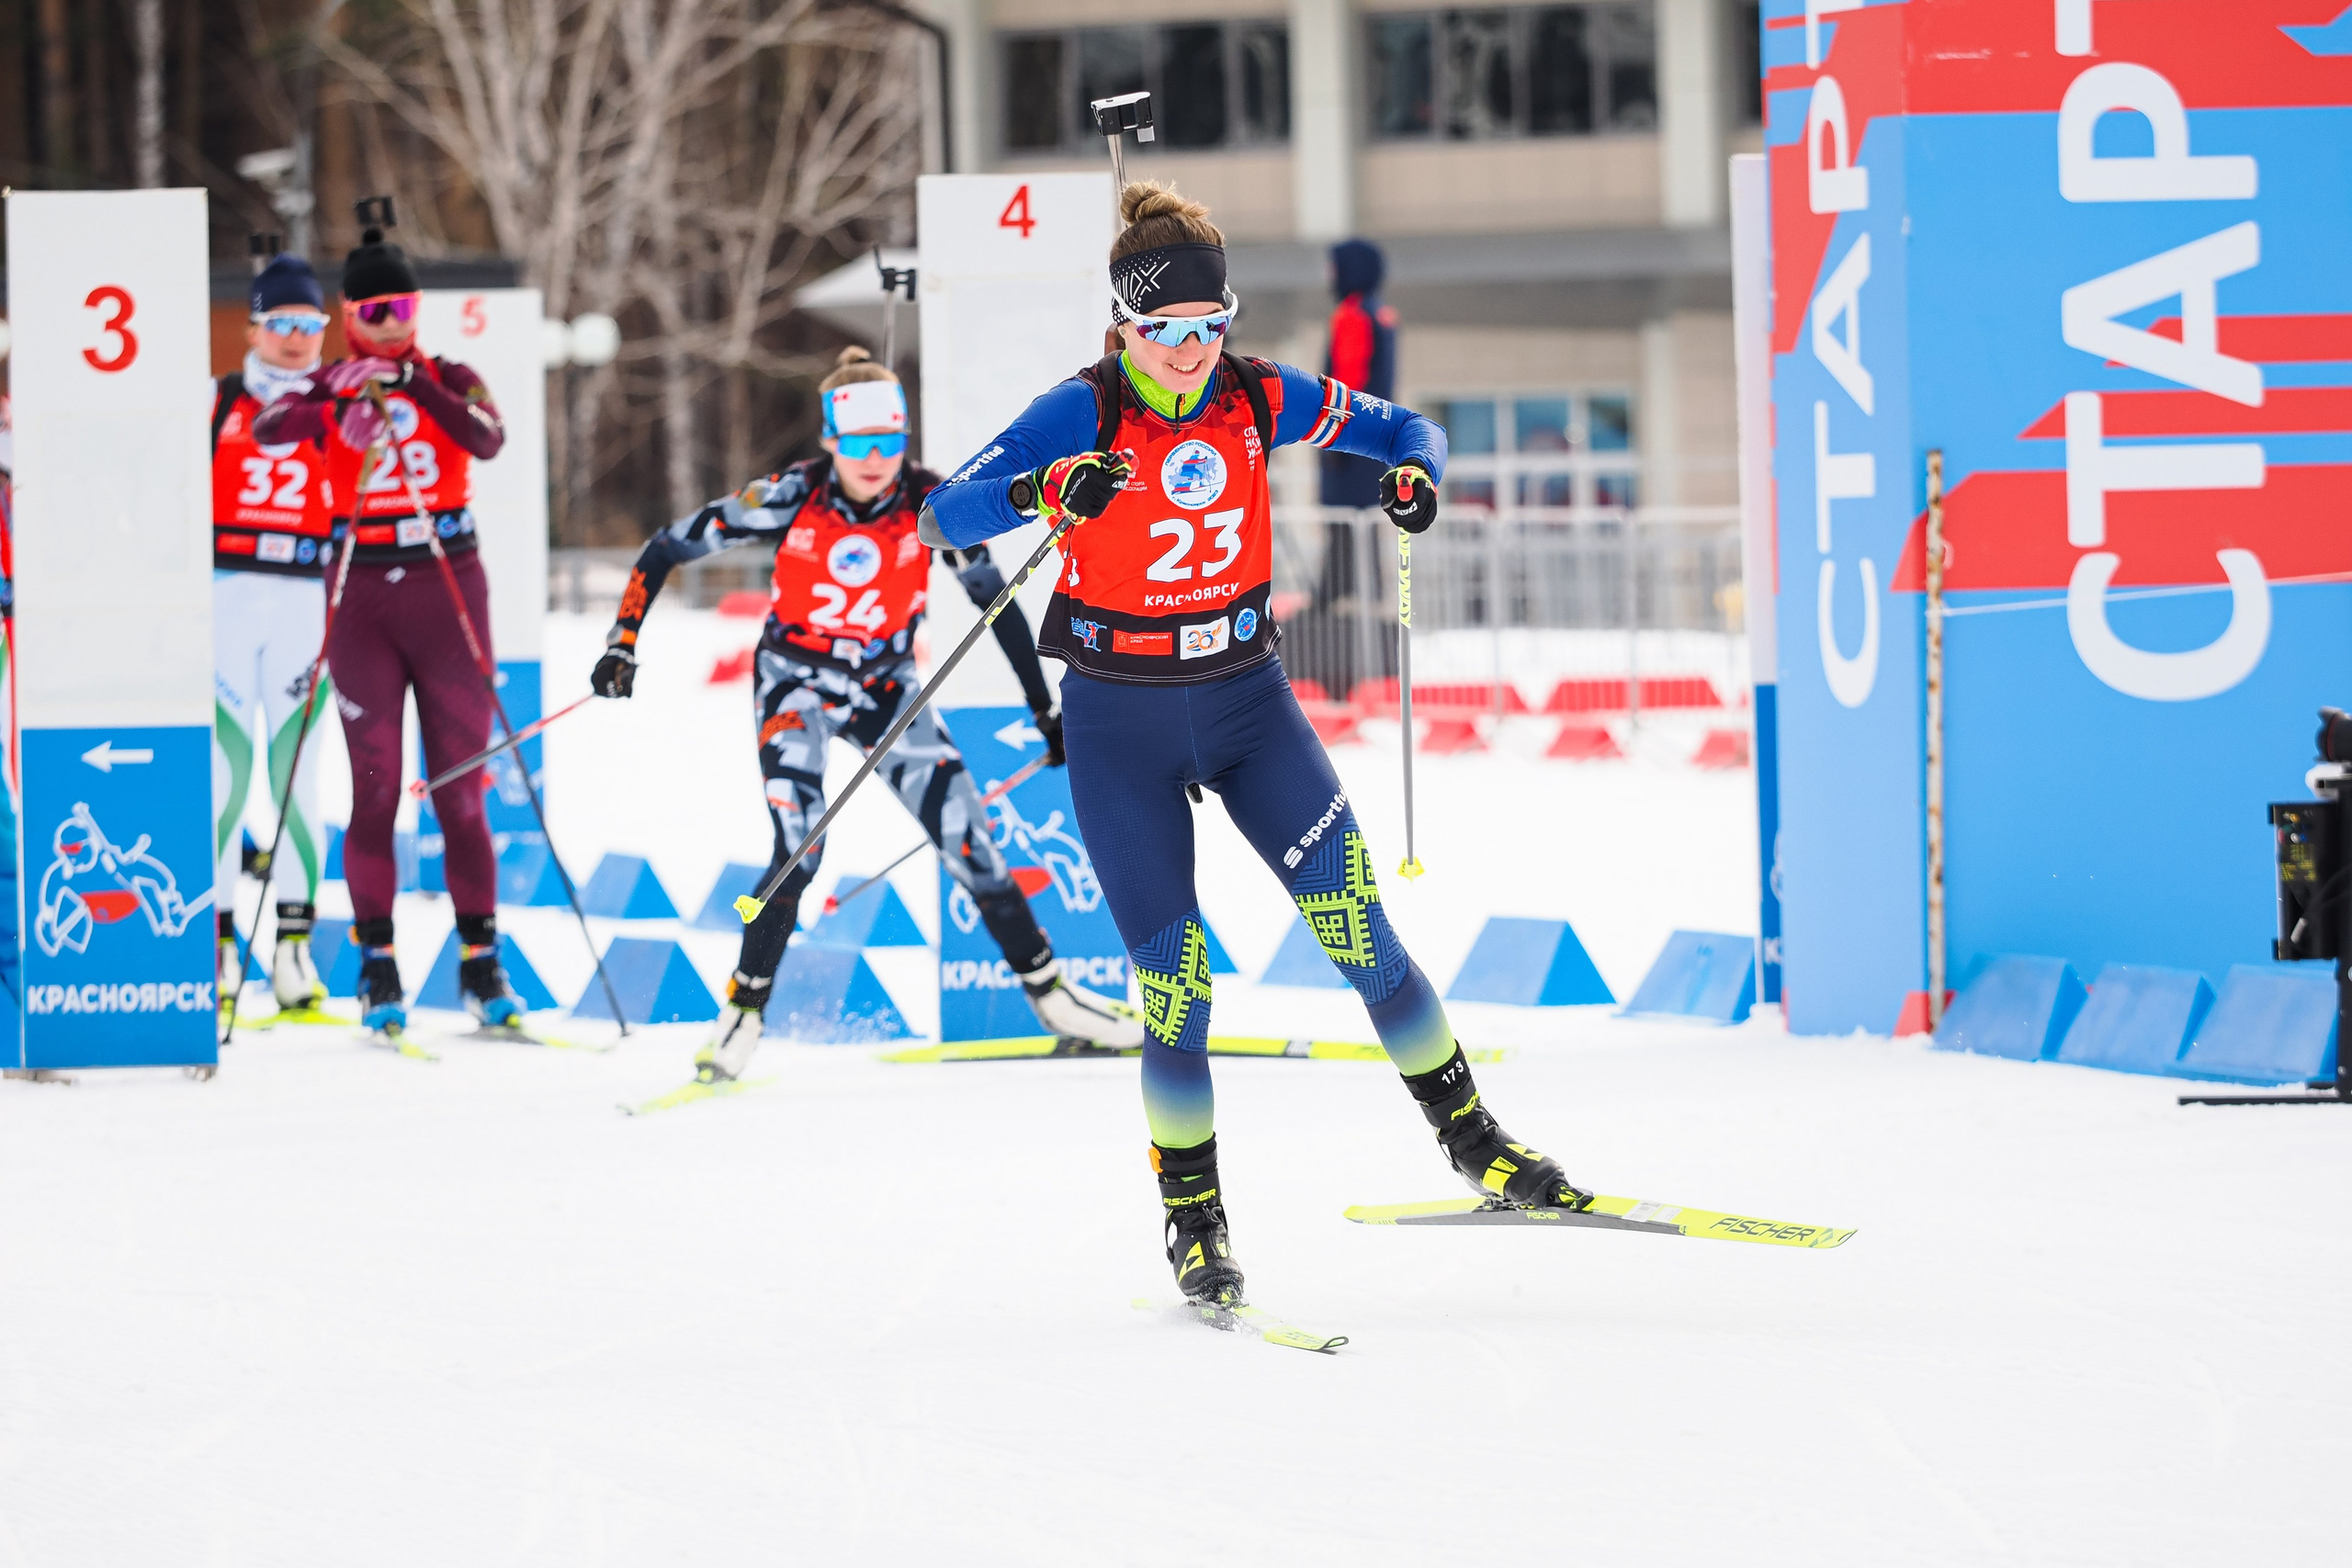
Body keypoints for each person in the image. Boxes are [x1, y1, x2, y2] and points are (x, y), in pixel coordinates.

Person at [920, 181, 1589, 1307]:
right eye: (1163, 332)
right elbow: (944, 513)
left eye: (1206, 327)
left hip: (1246, 706)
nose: (1187, 352)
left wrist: (1416, 479)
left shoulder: (1254, 395)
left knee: (1362, 937)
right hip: (1118, 721)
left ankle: (1478, 1144)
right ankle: (1195, 1223)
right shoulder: (1081, 411)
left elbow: (1399, 429)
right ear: (1123, 328)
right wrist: (1046, 489)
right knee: (1175, 988)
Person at [590, 347, 1143, 1086]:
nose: (877, 459)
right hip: (798, 682)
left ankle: (1053, 998)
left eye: (890, 441)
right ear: (831, 440)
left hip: (886, 687)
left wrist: (1043, 708)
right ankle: (743, 1012)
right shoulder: (791, 495)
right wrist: (622, 640)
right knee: (799, 841)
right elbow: (666, 547)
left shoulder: (931, 506)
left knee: (968, 834)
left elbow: (997, 603)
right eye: (859, 444)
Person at [253, 213, 518, 1035]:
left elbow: (489, 438)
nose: (390, 326)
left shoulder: (450, 370)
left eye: (402, 308)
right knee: (374, 788)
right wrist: (333, 400)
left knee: (461, 791)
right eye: (372, 314)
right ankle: (378, 966)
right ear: (348, 313)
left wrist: (420, 392)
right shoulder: (333, 378)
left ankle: (481, 965)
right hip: (363, 591)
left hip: (448, 584)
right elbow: (268, 427)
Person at [209, 250, 339, 1015]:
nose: (295, 338)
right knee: (224, 778)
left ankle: (293, 950)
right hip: (226, 598)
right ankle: (221, 946)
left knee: (296, 777)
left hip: (302, 603)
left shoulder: (338, 403)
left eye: (309, 324)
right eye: (281, 323)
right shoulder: (219, 398)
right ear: (256, 327)